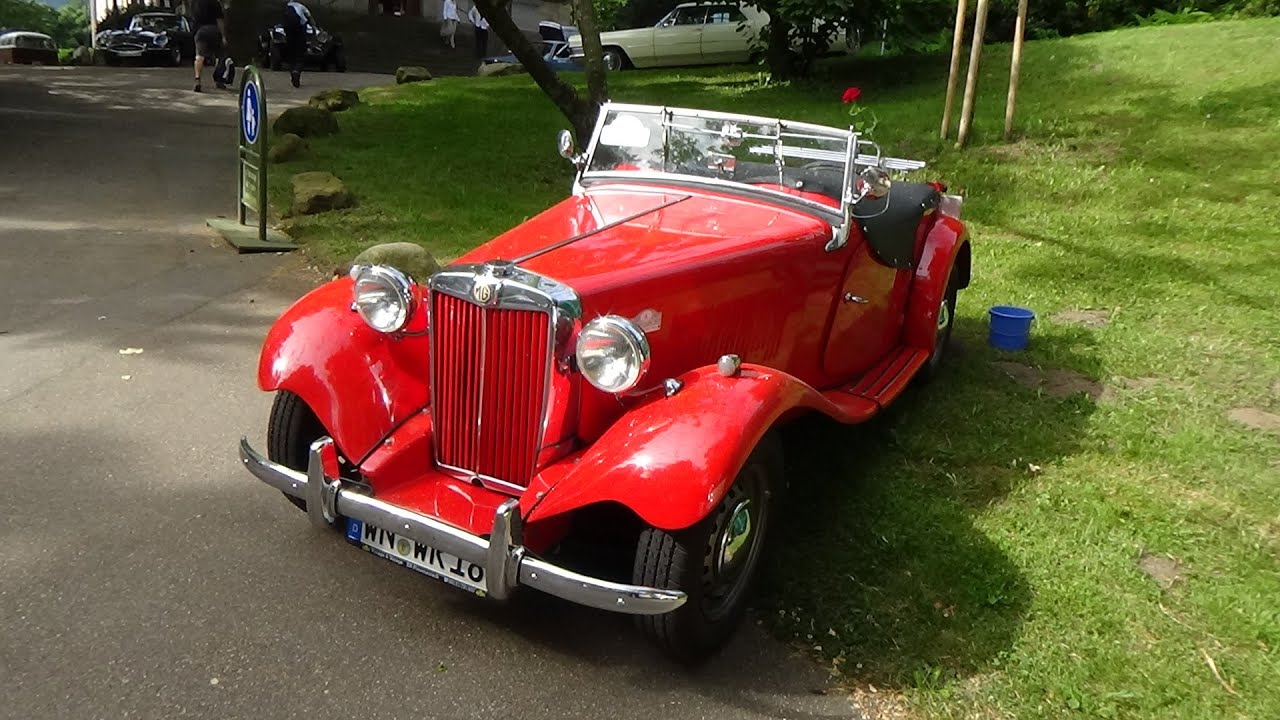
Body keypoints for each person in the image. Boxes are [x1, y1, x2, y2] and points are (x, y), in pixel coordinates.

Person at [190, 0, 227, 92]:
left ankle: (197, 79)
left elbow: (193, 18)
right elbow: (220, 21)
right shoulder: (215, 2)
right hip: (213, 29)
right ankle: (219, 80)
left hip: (200, 31)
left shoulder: (195, 3)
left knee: (199, 57)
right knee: (220, 55)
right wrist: (223, 36)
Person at [282, 0, 315, 88]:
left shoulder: (287, 7)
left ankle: (293, 72)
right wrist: (314, 28)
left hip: (289, 33)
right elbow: (310, 18)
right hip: (300, 31)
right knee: (300, 55)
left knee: (291, 54)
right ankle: (297, 70)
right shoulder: (301, 7)